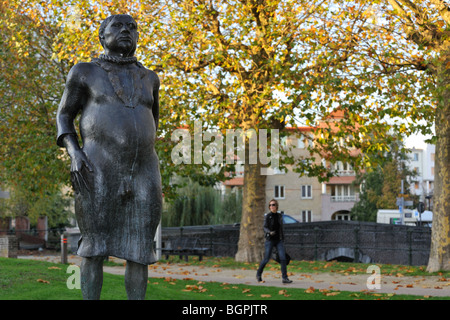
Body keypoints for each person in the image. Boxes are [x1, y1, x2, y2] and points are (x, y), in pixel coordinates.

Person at [56, 14, 162, 300]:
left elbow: (153, 120)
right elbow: (64, 115)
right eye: (118, 26)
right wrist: (74, 153)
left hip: (144, 169)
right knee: (94, 247)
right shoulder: (84, 72)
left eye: (132, 27)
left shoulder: (150, 78)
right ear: (102, 36)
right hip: (96, 166)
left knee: (141, 249)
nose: (127, 30)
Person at [256, 199, 292, 284]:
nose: (272, 206)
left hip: (279, 240)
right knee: (266, 259)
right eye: (270, 205)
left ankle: (285, 278)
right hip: (270, 240)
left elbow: (281, 228)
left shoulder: (279, 216)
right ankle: (258, 274)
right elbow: (264, 227)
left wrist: (283, 239)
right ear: (269, 207)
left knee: (283, 258)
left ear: (277, 206)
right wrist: (269, 232)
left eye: (273, 205)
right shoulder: (268, 216)